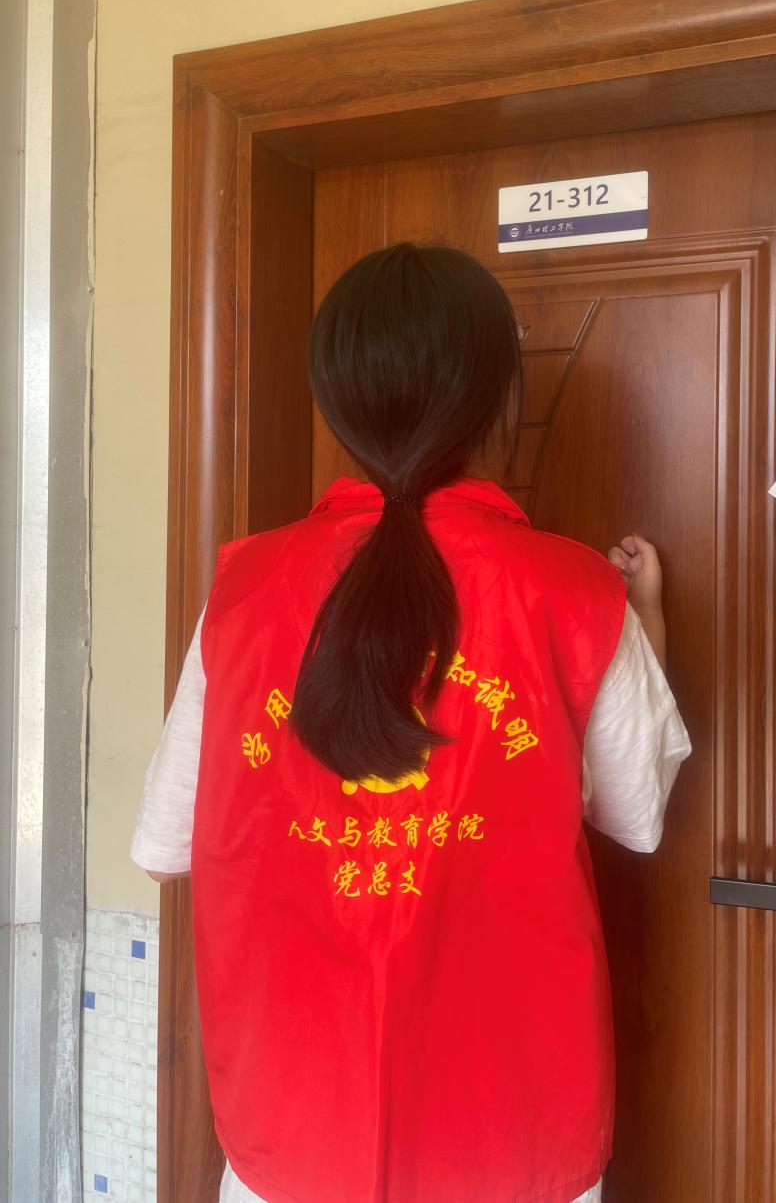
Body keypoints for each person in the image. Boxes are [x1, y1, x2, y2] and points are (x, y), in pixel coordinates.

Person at [131, 242, 691, 1203]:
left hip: (292, 1143)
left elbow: (163, 842)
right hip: (511, 1142)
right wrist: (645, 625)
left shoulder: (244, 595)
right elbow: (638, 815)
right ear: (499, 401)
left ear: (339, 404)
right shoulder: (571, 593)